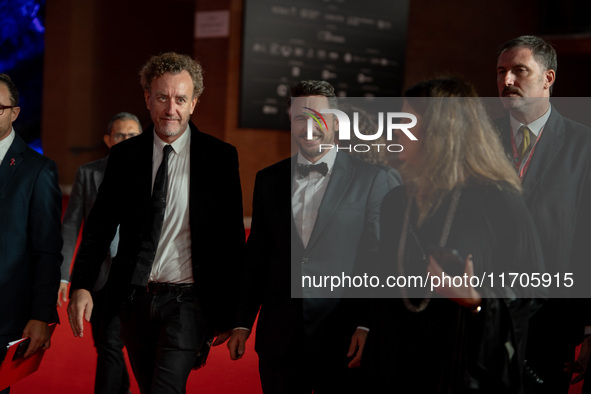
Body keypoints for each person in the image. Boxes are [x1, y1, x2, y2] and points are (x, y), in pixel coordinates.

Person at [67, 52, 245, 394]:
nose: (170, 109)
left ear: (194, 103)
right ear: (147, 98)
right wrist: (82, 285)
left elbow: (232, 241)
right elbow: (98, 229)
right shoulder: (124, 157)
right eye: (162, 97)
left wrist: (232, 314)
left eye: (180, 99)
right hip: (132, 300)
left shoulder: (220, 158)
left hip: (188, 303)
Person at [364, 77, 544, 393]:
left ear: (439, 132)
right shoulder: (396, 201)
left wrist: (476, 300)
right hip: (396, 367)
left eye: (405, 123)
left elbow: (533, 291)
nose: (394, 132)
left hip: (459, 367)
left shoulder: (498, 200)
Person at [227, 80, 396, 393]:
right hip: (280, 336)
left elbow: (380, 259)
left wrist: (367, 323)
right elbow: (258, 255)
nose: (309, 127)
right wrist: (242, 321)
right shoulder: (269, 179)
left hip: (343, 335)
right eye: (300, 117)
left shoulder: (373, 179)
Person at [495, 35, 591, 393]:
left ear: (548, 78)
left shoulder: (584, 147)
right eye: (501, 71)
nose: (506, 82)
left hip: (551, 323)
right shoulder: (479, 141)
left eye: (519, 71)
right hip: (481, 318)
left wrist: (588, 328)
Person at [58, 112, 141, 394]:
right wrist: (64, 275)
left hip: (134, 275)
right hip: (98, 274)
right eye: (120, 135)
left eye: (133, 136)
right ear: (108, 140)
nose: (127, 141)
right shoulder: (89, 173)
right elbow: (70, 226)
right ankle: (123, 389)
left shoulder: (154, 174)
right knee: (105, 343)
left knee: (109, 342)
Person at [0, 73, 62, 393]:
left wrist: (41, 315)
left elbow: (47, 250)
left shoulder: (38, 170)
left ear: (15, 112)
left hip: (4, 317)